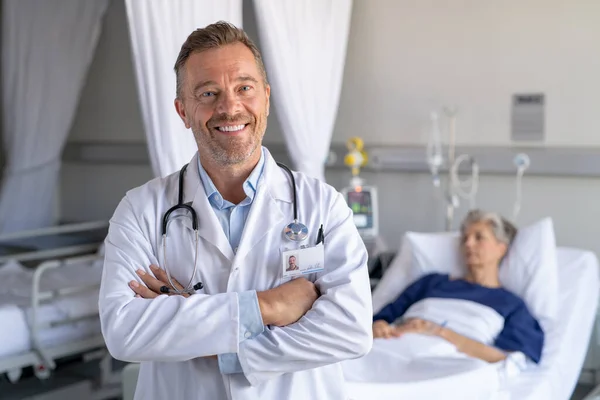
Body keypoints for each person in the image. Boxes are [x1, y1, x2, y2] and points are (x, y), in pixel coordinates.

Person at [98, 22, 372, 400]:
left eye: (244, 88)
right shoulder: (141, 210)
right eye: (208, 93)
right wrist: (270, 306)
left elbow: (351, 329)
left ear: (266, 98)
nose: (229, 107)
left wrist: (223, 348)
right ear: (183, 111)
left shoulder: (322, 205)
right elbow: (124, 331)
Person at [371, 210, 544, 364]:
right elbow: (381, 318)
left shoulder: (512, 305)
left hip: (448, 363)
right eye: (464, 239)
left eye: (479, 237)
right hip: (391, 348)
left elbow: (505, 360)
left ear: (501, 248)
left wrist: (437, 331)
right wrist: (378, 326)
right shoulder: (432, 282)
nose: (468, 244)